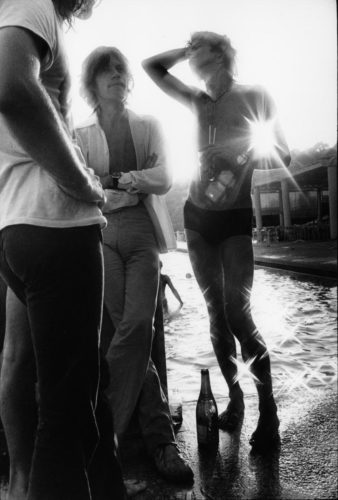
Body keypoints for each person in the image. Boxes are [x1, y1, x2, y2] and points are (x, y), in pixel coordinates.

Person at [0, 1, 126, 499]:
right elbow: (11, 86)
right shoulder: (33, 5)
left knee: (78, 397)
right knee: (66, 418)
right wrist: (83, 183)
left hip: (16, 225)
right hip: (55, 225)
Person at [143, 31, 291, 451]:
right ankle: (236, 399)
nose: (190, 54)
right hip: (196, 215)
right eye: (187, 48)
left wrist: (239, 157)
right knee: (214, 313)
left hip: (234, 217)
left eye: (197, 46)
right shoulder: (196, 100)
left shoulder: (253, 94)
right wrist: (183, 51)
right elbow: (152, 67)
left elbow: (284, 151)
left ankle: (269, 411)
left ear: (222, 52)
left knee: (237, 312)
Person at [76, 46, 193, 483]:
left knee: (137, 327)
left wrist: (127, 180)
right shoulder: (80, 132)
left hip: (142, 232)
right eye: (107, 72)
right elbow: (82, 186)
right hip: (102, 233)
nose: (118, 77)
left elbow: (164, 178)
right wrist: (119, 184)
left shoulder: (149, 125)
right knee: (130, 334)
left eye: (122, 72)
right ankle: (161, 442)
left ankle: (107, 432)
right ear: (93, 82)